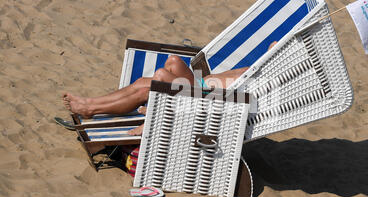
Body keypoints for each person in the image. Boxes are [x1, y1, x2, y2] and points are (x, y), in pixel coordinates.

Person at [63, 41, 277, 135]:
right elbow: (274, 45)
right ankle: (93, 103)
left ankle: (91, 108)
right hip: (200, 85)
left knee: (155, 80)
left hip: (206, 99)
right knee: (173, 61)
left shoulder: (270, 78)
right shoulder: (269, 64)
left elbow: (275, 47)